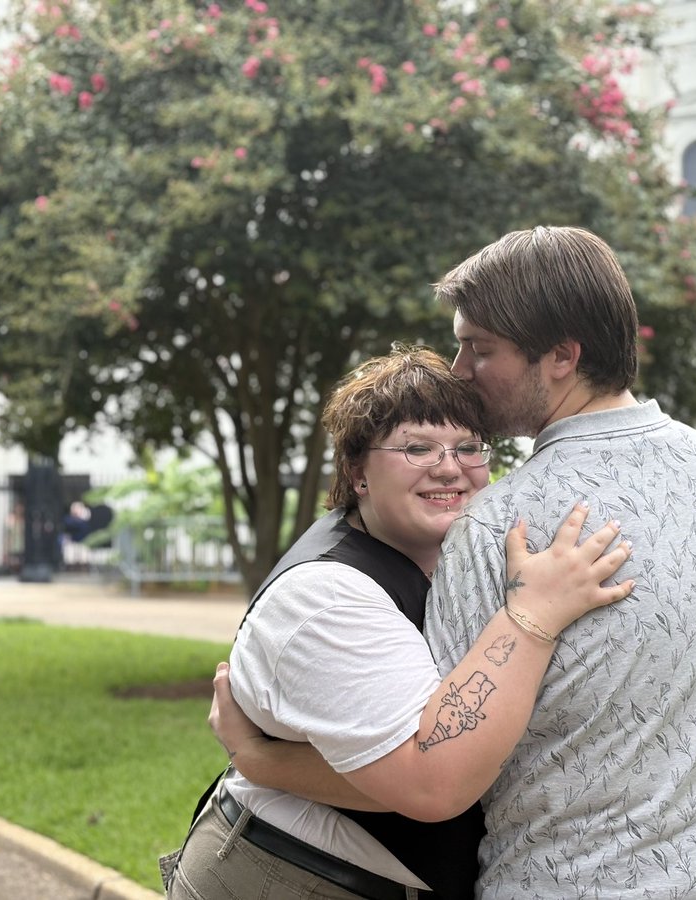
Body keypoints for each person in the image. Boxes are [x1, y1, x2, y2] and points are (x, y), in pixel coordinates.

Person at [214, 227, 696, 898]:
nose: (460, 368)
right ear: (357, 471)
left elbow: (440, 767)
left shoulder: (499, 524)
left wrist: (261, 760)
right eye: (416, 449)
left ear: (562, 356)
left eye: (480, 348)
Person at [163, 346, 635, 900]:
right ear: (357, 472)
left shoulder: (468, 561)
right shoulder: (326, 597)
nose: (449, 467)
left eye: (467, 447)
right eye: (417, 448)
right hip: (288, 877)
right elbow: (429, 782)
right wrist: (533, 616)